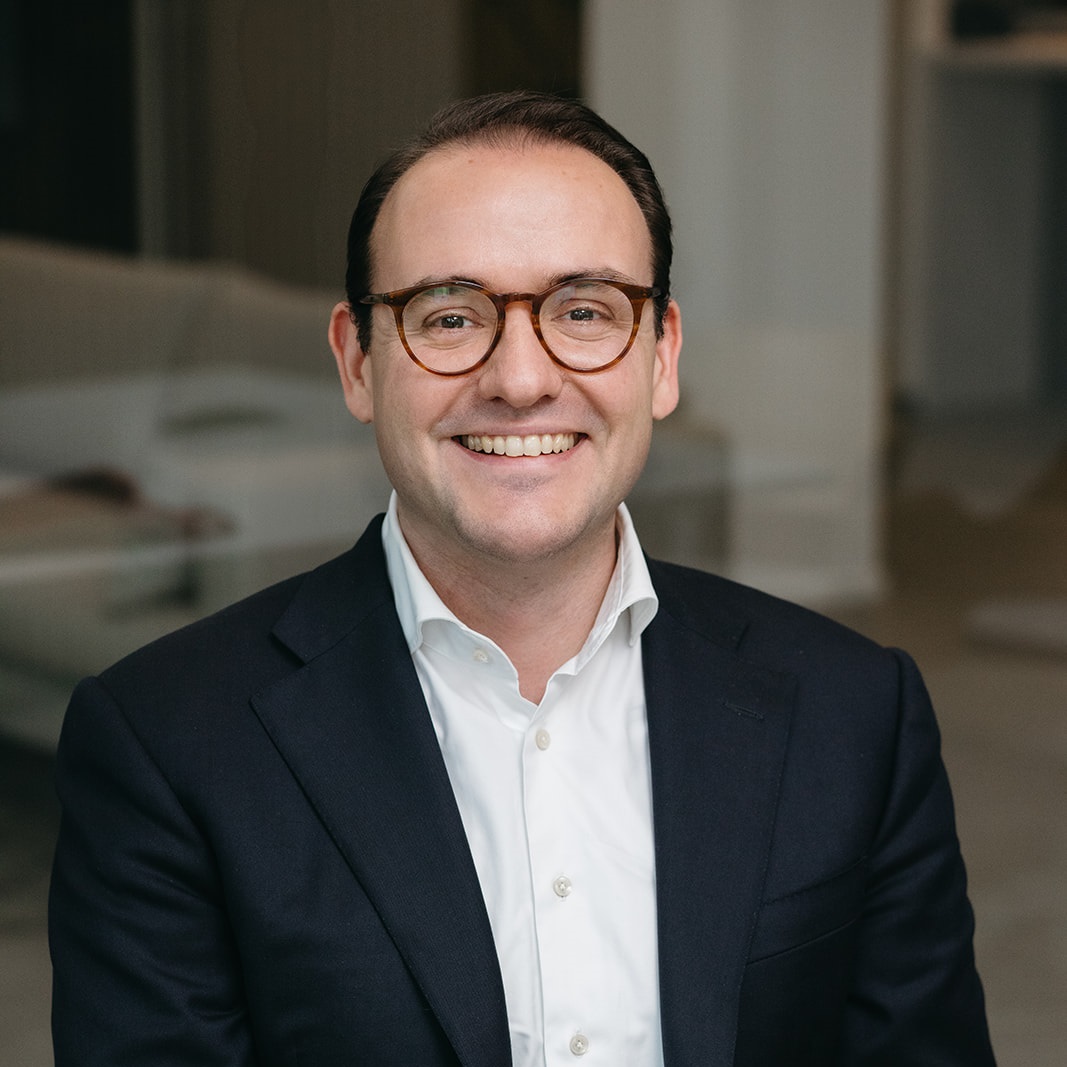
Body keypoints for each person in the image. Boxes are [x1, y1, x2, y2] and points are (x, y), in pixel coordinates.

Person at [49, 90, 996, 1066]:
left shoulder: (852, 710)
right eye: (449, 315)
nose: (519, 378)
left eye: (582, 311)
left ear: (660, 356)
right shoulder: (167, 741)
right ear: (355, 363)